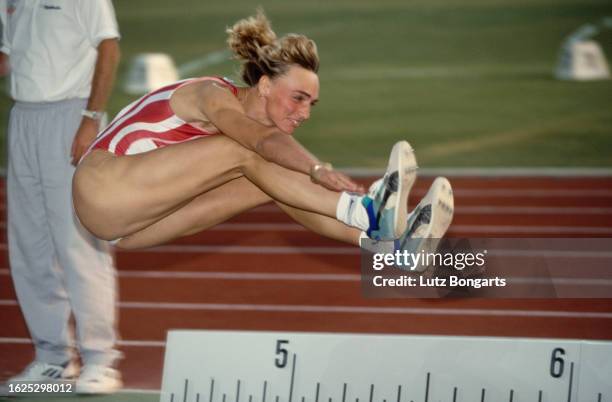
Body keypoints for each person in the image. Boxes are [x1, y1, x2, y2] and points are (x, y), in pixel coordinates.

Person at [73, 11, 453, 257]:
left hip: (127, 228)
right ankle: (370, 210)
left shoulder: (253, 138)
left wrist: (309, 177)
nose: (303, 113)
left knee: (267, 181)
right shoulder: (212, 95)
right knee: (246, 152)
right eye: (298, 98)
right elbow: (259, 142)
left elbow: (267, 152)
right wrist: (317, 169)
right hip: (102, 187)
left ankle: (392, 246)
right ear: (266, 86)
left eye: (311, 105)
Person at [1, 0, 122, 394]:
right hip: (24, 117)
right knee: (29, 245)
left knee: (78, 242)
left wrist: (91, 118)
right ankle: (53, 359)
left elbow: (109, 47)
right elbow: (7, 56)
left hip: (71, 116)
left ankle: (100, 361)